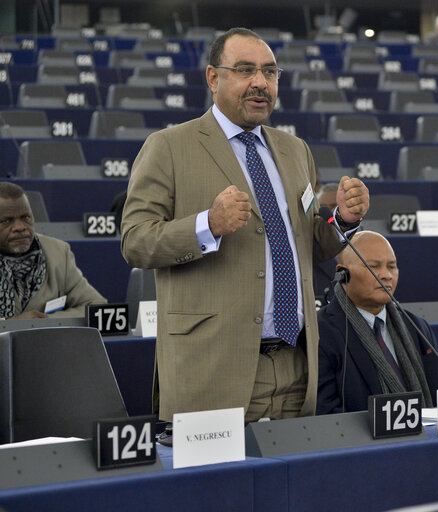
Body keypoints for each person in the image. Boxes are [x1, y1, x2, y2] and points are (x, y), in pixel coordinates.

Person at [120, 28, 369, 423]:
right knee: (215, 486)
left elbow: (309, 245)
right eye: (245, 70)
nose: (260, 83)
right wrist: (208, 225)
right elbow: (135, 241)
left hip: (296, 364)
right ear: (213, 78)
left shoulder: (294, 150)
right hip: (212, 367)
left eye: (270, 72)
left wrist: (344, 221)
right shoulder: (168, 146)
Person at [316, 231, 438, 414]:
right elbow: (324, 410)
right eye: (374, 267)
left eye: (392, 267)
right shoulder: (321, 332)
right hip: (364, 441)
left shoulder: (416, 326)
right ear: (343, 274)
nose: (386, 275)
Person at [0, 182, 105, 319]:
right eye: (6, 221)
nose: (20, 227)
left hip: (50, 339)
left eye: (26, 218)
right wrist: (11, 324)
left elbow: (96, 306)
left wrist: (46, 321)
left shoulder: (58, 252)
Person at [313, 183, 339, 299]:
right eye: (323, 208)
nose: (328, 213)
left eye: (333, 207)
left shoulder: (365, 246)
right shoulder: (307, 252)